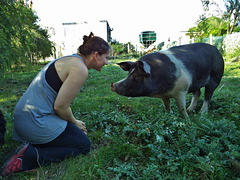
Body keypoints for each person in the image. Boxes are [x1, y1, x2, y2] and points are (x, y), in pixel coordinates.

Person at [1, 32, 110, 176]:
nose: (107, 62)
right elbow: (60, 107)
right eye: (106, 58)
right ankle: (28, 156)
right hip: (35, 121)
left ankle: (32, 144)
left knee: (73, 135)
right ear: (96, 55)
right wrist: (75, 122)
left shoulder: (71, 60)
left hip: (26, 118)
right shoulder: (80, 69)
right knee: (84, 145)